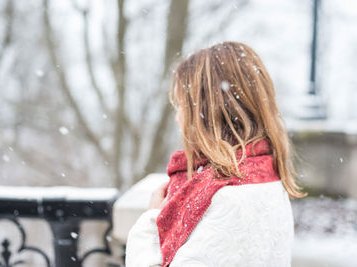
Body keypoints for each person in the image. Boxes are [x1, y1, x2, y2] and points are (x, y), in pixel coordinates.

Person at [125, 41, 306, 267]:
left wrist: (150, 222)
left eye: (181, 106)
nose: (177, 119)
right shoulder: (267, 175)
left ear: (206, 113)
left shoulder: (223, 197)